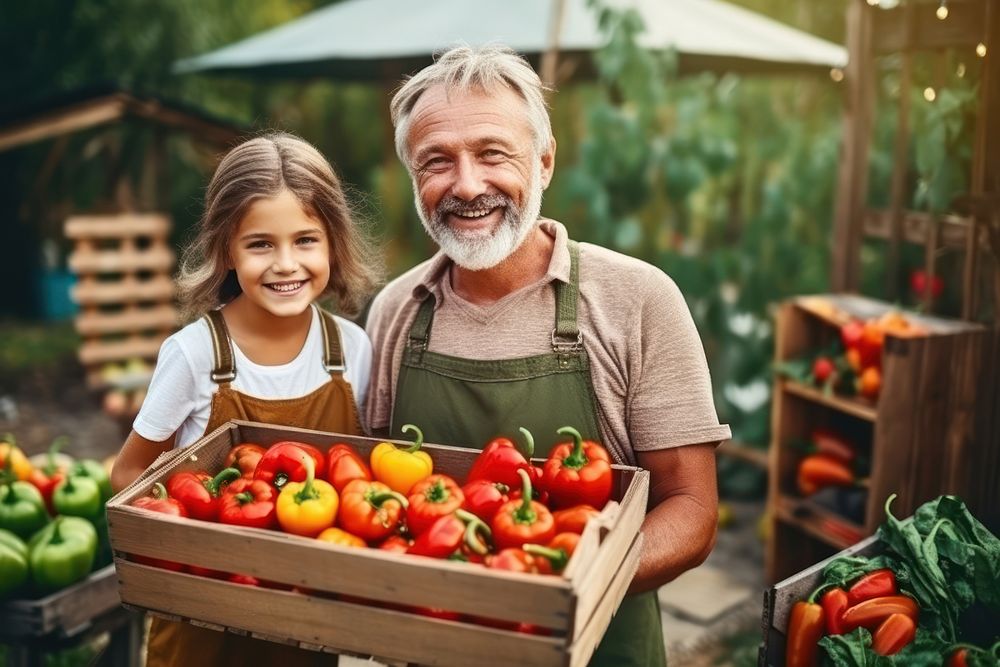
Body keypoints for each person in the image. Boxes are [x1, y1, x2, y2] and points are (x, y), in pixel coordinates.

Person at [365, 45, 731, 666]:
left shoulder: (637, 299)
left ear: (544, 163)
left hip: (601, 645)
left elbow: (691, 510)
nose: (468, 184)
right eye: (437, 162)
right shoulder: (395, 312)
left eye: (492, 153)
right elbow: (379, 497)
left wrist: (560, 585)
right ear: (414, 179)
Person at [111, 132, 381, 667]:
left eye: (306, 240)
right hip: (203, 618)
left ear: (334, 244)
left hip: (306, 621)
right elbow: (129, 474)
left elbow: (357, 472)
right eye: (261, 244)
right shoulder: (194, 355)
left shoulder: (349, 349)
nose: (286, 264)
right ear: (226, 251)